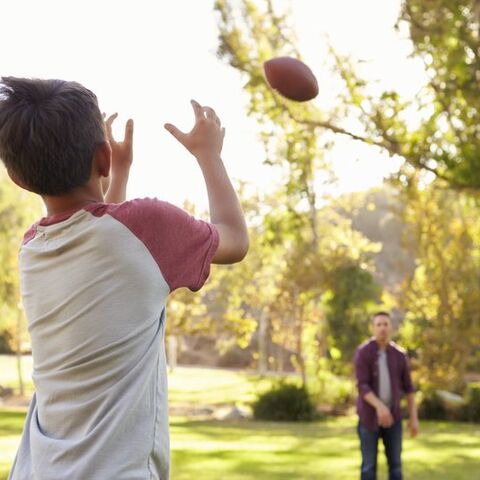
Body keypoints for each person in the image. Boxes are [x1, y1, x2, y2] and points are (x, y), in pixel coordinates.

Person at [0, 77, 248, 479]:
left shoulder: (33, 249)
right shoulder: (147, 224)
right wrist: (208, 154)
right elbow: (235, 241)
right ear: (102, 158)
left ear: (18, 179)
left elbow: (107, 240)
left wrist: (117, 172)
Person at [354, 311, 419, 480]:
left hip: (394, 419)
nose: (382, 328)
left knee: (396, 467)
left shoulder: (399, 355)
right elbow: (362, 385)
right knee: (368, 467)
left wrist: (413, 418)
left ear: (391, 327)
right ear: (373, 328)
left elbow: (409, 389)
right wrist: (380, 407)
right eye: (379, 324)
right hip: (369, 419)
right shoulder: (363, 353)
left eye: (385, 324)